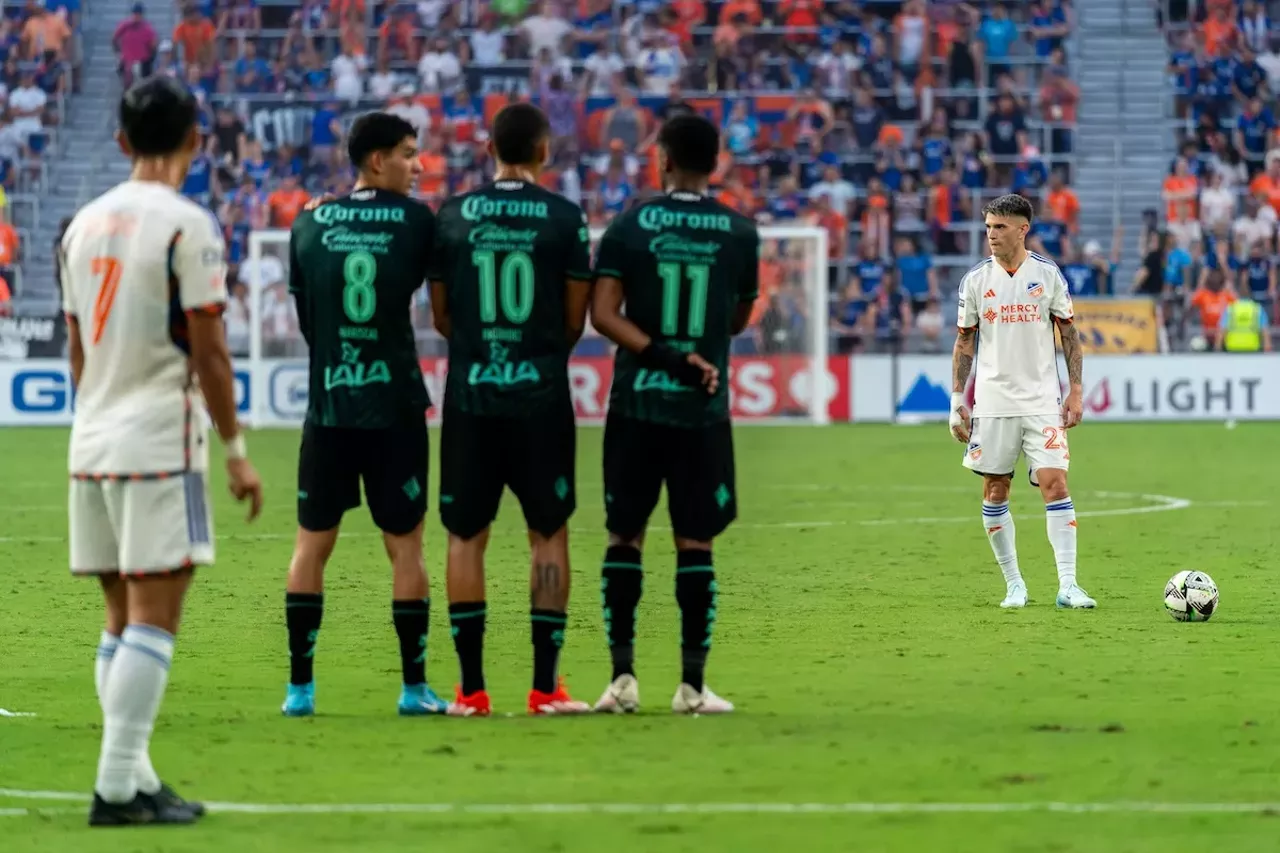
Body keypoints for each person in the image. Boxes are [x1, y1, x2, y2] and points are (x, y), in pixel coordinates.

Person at [60, 75, 263, 826]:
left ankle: (136, 776)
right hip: (158, 437)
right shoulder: (187, 224)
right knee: (155, 612)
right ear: (195, 142)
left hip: (94, 435)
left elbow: (77, 351)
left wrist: (98, 410)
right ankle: (115, 785)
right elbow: (210, 354)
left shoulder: (81, 224)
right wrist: (237, 448)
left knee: (118, 617)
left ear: (121, 141)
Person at [427, 103, 594, 717]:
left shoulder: (451, 215)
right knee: (547, 533)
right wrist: (537, 354)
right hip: (541, 397)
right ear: (543, 148)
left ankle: (471, 691)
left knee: (465, 535)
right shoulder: (565, 218)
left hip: (471, 395)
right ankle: (545, 688)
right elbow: (575, 321)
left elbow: (441, 317)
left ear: (490, 147)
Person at [590, 113, 758, 714]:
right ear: (715, 163)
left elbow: (603, 314)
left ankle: (622, 680)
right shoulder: (738, 232)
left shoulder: (631, 224)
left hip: (636, 402)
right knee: (696, 542)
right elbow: (739, 320)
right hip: (702, 409)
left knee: (624, 536)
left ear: (662, 159)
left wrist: (658, 351)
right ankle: (691, 686)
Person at [282, 112, 446, 718]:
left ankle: (300, 689)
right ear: (376, 161)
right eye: (408, 154)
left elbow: (307, 321)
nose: (419, 165)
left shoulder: (309, 221)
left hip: (328, 403)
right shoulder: (414, 221)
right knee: (405, 547)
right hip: (394, 406)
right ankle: (413, 687)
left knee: (310, 546)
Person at [948, 194, 1095, 611]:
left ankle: (1069, 585)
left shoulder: (1047, 275)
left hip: (1042, 401)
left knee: (1056, 484)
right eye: (988, 227)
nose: (991, 235)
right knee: (995, 490)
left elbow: (1069, 334)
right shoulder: (975, 280)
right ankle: (1014, 584)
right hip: (992, 402)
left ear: (1022, 229)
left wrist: (1076, 390)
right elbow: (964, 342)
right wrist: (958, 399)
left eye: (999, 227)